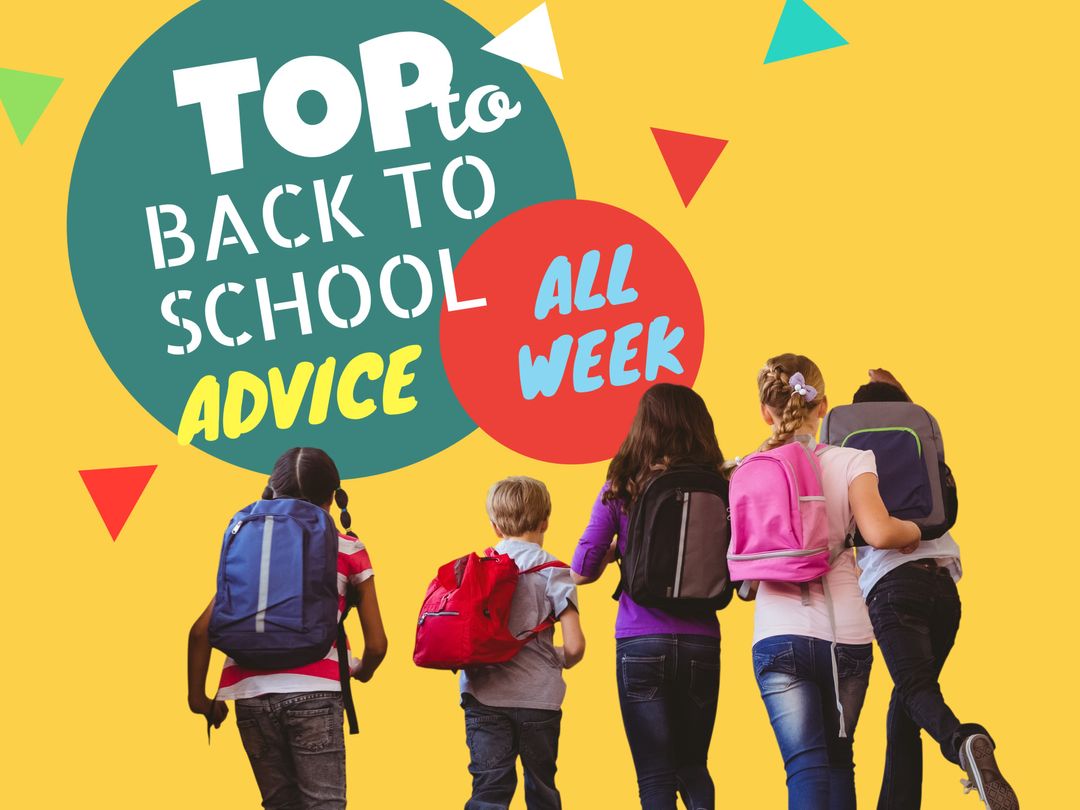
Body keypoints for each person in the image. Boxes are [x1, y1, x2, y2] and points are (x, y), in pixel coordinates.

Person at [747, 355, 921, 810]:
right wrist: (915, 531)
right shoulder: (852, 460)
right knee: (840, 761)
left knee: (804, 765)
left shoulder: (748, 467)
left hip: (777, 629)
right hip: (844, 633)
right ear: (823, 406)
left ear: (766, 411)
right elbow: (881, 532)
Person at [852, 369, 1018, 810]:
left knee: (914, 690)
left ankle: (964, 741)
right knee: (907, 700)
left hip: (893, 586)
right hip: (944, 590)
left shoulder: (850, 458)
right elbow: (951, 509)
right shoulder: (924, 451)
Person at [187, 448, 387, 810]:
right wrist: (361, 671)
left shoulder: (251, 547)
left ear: (271, 491)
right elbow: (377, 644)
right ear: (333, 496)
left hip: (248, 695)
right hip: (315, 693)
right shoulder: (348, 548)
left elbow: (200, 632)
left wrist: (199, 700)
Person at [572, 382, 725, 810]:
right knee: (694, 766)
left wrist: (619, 547)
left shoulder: (623, 483)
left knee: (655, 775)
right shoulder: (720, 483)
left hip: (640, 639)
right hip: (702, 641)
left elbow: (582, 569)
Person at [459, 476, 584, 810]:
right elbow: (574, 647)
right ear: (545, 521)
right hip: (539, 700)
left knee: (488, 791)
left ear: (495, 526)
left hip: (484, 696)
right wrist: (555, 656)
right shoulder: (556, 572)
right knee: (542, 788)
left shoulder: (475, 570)